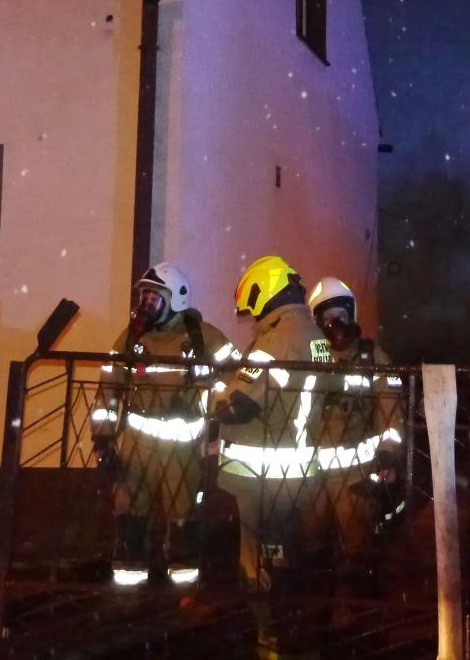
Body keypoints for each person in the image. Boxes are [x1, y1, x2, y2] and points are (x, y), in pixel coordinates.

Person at [212, 255, 332, 656]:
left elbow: (236, 404)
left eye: (252, 302)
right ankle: (298, 639)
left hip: (263, 479)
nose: (251, 314)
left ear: (266, 290)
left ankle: (271, 643)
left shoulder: (276, 339)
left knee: (261, 570)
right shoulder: (313, 333)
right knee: (290, 564)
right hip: (298, 473)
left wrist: (209, 391)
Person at [94, 263, 233, 588]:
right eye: (143, 297)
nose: (145, 305)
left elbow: (236, 376)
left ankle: (184, 590)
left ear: (177, 300)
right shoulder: (130, 339)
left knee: (182, 514)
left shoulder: (204, 337)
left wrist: (215, 410)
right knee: (130, 512)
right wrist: (103, 440)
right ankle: (128, 589)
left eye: (154, 298)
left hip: (184, 446)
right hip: (136, 445)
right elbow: (108, 388)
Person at [308, 277, 406, 573]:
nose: (335, 324)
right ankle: (314, 607)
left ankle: (359, 604)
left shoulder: (371, 357)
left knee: (357, 547)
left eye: (341, 316)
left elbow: (391, 408)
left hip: (354, 473)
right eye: (327, 318)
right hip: (308, 473)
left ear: (352, 316)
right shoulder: (308, 354)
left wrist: (389, 452)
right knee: (310, 544)